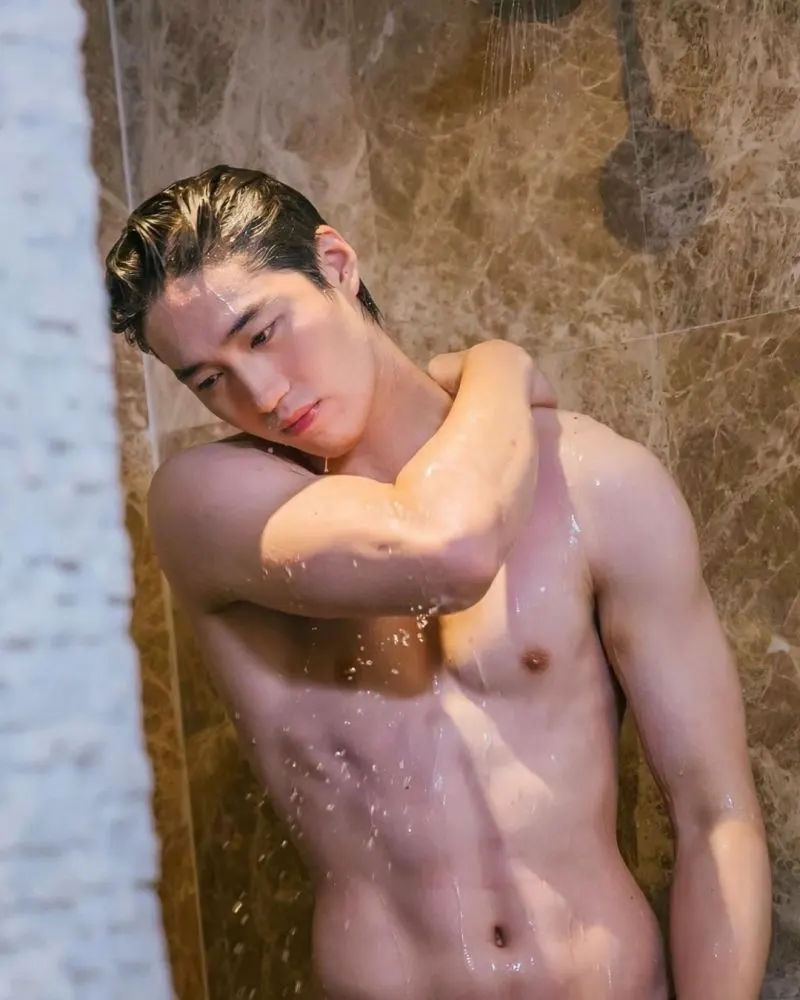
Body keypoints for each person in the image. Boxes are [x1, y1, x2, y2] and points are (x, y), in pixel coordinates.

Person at [106, 165, 772, 1000]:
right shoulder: (209, 506)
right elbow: (447, 551)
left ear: (336, 265)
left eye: (264, 333)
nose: (262, 395)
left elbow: (717, 817)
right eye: (208, 379)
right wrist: (500, 368)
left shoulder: (598, 485)